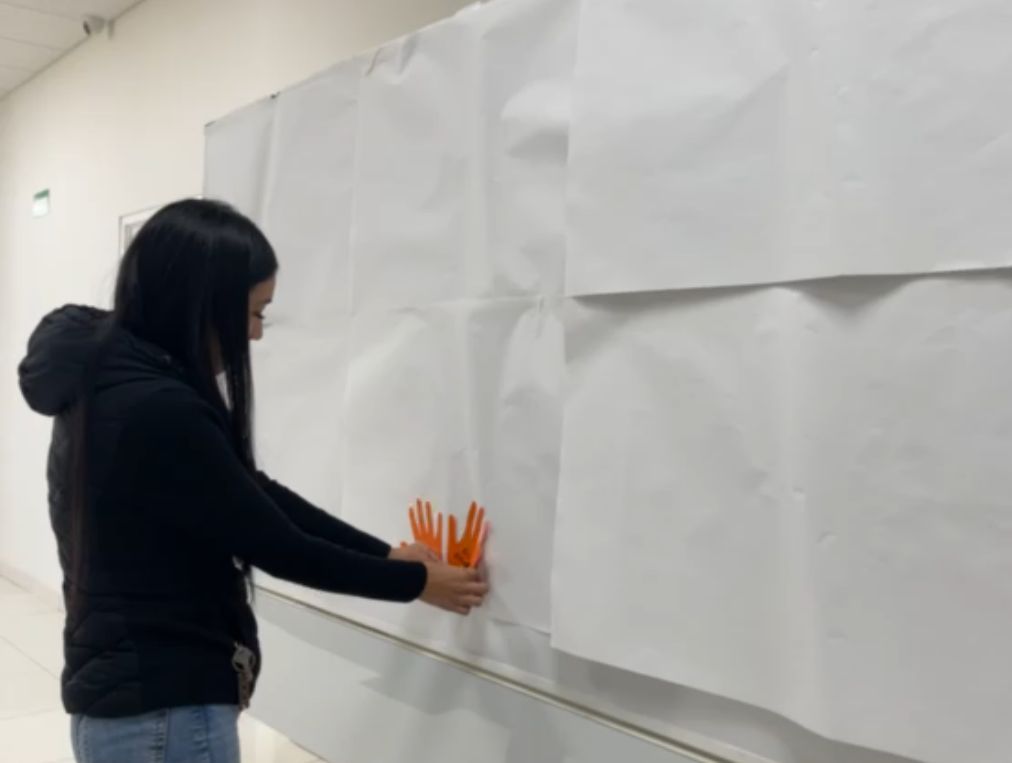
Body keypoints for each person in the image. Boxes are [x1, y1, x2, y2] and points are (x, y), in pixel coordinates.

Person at [17, 198, 489, 763]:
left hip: (130, 703)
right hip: (162, 713)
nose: (256, 335)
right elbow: (278, 545)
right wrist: (417, 581)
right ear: (199, 304)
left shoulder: (109, 377)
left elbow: (251, 491)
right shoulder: (158, 408)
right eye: (254, 313)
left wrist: (388, 555)